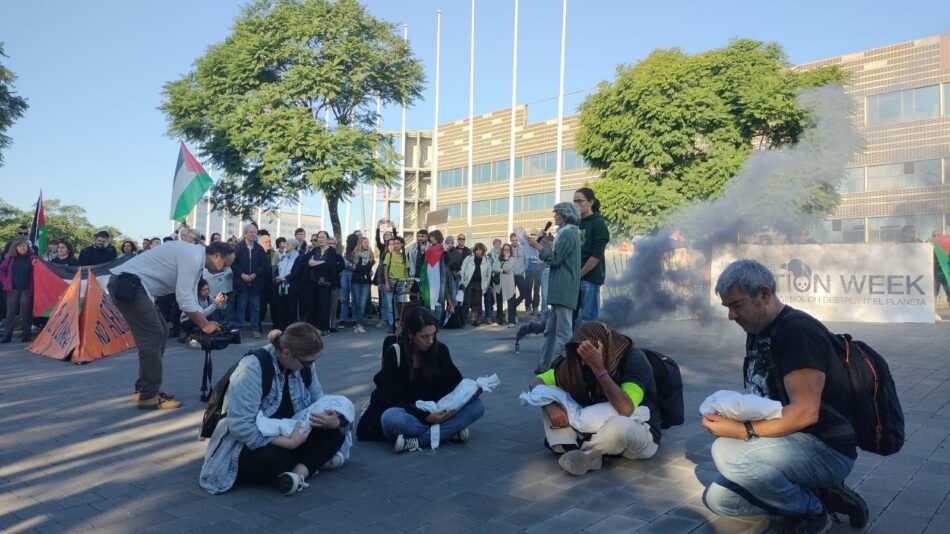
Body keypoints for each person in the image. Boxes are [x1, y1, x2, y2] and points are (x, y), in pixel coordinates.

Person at [702, 259, 868, 532]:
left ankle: (812, 513)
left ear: (764, 294)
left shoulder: (797, 332)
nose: (731, 315)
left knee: (728, 453)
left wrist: (742, 430)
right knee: (722, 501)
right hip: (792, 441)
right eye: (727, 307)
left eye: (736, 305)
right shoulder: (758, 329)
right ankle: (820, 494)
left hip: (826, 448)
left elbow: (805, 412)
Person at [199, 323, 349, 495]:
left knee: (338, 429)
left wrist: (332, 419)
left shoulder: (305, 366)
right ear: (286, 354)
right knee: (273, 459)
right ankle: (313, 462)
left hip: (292, 432)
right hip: (249, 443)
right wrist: (290, 443)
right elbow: (241, 426)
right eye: (308, 362)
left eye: (314, 360)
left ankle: (298, 474)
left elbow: (319, 401)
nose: (311, 366)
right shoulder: (253, 368)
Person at [108, 241, 235, 409]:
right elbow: (183, 298)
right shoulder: (193, 256)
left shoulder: (196, 259)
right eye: (225, 264)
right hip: (128, 285)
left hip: (134, 286)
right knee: (153, 336)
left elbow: (189, 295)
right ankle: (148, 396)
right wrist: (203, 324)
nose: (225, 269)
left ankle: (144, 389)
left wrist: (205, 321)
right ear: (216, 255)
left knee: (161, 333)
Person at [527, 322, 661, 476]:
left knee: (620, 425)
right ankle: (577, 449)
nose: (584, 362)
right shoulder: (577, 360)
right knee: (547, 394)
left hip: (640, 434)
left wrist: (598, 368)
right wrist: (551, 405)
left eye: (589, 354)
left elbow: (626, 409)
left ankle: (583, 452)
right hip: (594, 428)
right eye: (581, 355)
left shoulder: (633, 359)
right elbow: (535, 384)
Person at [356, 307, 485, 453]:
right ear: (410, 335)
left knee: (477, 407)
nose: (430, 341)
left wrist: (469, 393)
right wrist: (426, 417)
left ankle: (417, 440)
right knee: (391, 418)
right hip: (408, 413)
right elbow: (390, 398)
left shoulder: (440, 350)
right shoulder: (395, 354)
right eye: (424, 337)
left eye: (433, 335)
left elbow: (454, 385)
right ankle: (447, 432)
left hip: (437, 410)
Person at [528, 202, 581, 374]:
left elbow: (555, 259)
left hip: (564, 287)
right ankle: (544, 364)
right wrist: (544, 244)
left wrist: (537, 247)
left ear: (565, 215)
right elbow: (557, 256)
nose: (554, 216)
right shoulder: (566, 233)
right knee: (550, 330)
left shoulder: (568, 234)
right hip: (559, 287)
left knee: (564, 332)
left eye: (557, 214)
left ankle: (568, 368)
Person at [574, 187, 609, 330]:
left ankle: (588, 349)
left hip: (590, 277)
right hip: (574, 277)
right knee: (570, 317)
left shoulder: (598, 222)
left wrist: (579, 275)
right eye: (574, 201)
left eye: (579, 201)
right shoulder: (574, 223)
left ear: (590, 202)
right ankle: (570, 350)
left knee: (588, 318)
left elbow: (596, 255)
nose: (576, 205)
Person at [231, 224, 269, 338]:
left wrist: (255, 274)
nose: (253, 234)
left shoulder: (259, 248)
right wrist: (242, 274)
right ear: (245, 233)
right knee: (241, 307)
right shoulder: (238, 247)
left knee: (255, 307)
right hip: (242, 282)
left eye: (254, 232)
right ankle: (239, 328)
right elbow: (233, 263)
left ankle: (255, 328)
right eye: (251, 232)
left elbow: (264, 264)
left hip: (255, 282)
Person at [0, 238, 37, 343]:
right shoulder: (10, 259)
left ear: (28, 247)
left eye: (24, 246)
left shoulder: (32, 258)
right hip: (12, 289)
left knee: (26, 312)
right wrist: (5, 281)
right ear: (15, 247)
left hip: (27, 289)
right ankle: (7, 336)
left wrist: (36, 262)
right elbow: (1, 270)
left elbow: (39, 270)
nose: (23, 248)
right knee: (11, 312)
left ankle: (26, 336)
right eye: (20, 246)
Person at [305, 231, 340, 335]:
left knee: (324, 305)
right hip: (313, 282)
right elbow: (309, 263)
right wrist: (323, 262)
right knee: (313, 305)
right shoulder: (314, 250)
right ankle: (313, 328)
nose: (320, 239)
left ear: (327, 239)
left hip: (325, 282)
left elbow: (331, 265)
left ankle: (324, 328)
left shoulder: (332, 251)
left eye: (323, 237)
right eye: (319, 237)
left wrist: (317, 263)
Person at [180, 278, 227, 344]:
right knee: (210, 320)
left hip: (200, 318)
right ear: (198, 291)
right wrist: (215, 303)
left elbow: (219, 307)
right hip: (187, 321)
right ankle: (191, 336)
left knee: (214, 321)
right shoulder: (194, 299)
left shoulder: (208, 297)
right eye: (204, 290)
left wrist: (223, 302)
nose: (207, 291)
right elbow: (201, 315)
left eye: (207, 289)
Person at [383, 236, 412, 333]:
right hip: (391, 281)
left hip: (401, 282)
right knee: (390, 306)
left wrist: (408, 285)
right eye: (394, 243)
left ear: (402, 245)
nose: (395, 245)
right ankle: (392, 325)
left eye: (397, 243)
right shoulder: (389, 255)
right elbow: (385, 270)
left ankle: (399, 325)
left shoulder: (404, 256)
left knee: (400, 306)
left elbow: (406, 272)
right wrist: (386, 283)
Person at [459, 243, 491, 327]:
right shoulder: (468, 259)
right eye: (477, 250)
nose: (478, 252)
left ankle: (473, 319)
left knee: (476, 304)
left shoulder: (486, 261)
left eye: (480, 250)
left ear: (483, 251)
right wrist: (462, 282)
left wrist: (485, 286)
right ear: (474, 251)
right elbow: (462, 270)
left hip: (479, 285)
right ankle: (462, 320)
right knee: (466, 303)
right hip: (468, 284)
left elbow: (488, 275)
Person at [273, 238, 301, 330]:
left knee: (291, 309)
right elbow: (278, 268)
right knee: (282, 308)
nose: (286, 245)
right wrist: (277, 277)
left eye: (288, 244)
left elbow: (297, 272)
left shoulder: (298, 257)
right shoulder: (284, 256)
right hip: (281, 285)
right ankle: (282, 327)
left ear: (294, 246)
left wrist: (286, 278)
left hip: (291, 287)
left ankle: (291, 329)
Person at [349, 237, 375, 333]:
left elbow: (367, 267)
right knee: (356, 302)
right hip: (355, 281)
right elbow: (361, 268)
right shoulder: (354, 254)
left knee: (362, 303)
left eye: (367, 242)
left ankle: (359, 324)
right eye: (364, 242)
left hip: (366, 282)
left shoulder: (371, 255)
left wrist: (357, 268)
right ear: (360, 243)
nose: (366, 243)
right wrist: (360, 268)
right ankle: (356, 323)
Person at [491, 243, 517, 327]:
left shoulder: (512, 259)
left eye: (508, 250)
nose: (506, 251)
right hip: (499, 284)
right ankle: (499, 321)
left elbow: (508, 269)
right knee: (499, 303)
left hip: (508, 284)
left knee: (511, 302)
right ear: (502, 250)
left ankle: (512, 321)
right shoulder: (498, 259)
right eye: (505, 249)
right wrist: (502, 271)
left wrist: (506, 259)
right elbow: (493, 268)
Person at [339, 234, 359, 328]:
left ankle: (355, 319)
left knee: (354, 298)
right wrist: (350, 265)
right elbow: (343, 261)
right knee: (344, 299)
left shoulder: (359, 250)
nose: (347, 241)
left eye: (348, 240)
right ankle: (343, 319)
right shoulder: (345, 252)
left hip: (354, 275)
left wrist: (350, 265)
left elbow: (359, 262)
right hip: (345, 274)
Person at [484, 238, 504, 324]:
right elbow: (488, 266)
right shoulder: (489, 255)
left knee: (500, 297)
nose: (497, 244)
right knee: (490, 297)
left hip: (501, 277)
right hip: (491, 278)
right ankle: (489, 315)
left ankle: (500, 314)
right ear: (493, 244)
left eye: (499, 243)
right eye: (496, 243)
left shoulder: (503, 254)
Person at [524, 229, 543, 317]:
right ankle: (528, 308)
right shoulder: (527, 245)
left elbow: (544, 256)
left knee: (536, 290)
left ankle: (535, 308)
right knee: (528, 289)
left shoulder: (540, 245)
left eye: (535, 234)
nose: (533, 236)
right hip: (528, 270)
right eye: (531, 234)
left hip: (538, 271)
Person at [931, 230, 950, 309]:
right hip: (935, 275)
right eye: (936, 235)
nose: (938, 236)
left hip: (946, 274)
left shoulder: (947, 245)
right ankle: (932, 314)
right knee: (934, 295)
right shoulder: (930, 246)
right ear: (933, 237)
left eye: (939, 235)